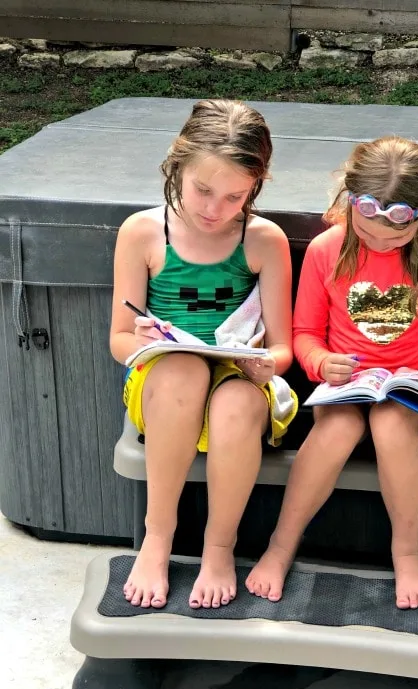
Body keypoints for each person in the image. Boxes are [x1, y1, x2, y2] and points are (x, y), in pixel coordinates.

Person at [246, 136, 418, 609]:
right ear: (348, 204)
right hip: (346, 391)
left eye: (395, 239)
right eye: (369, 234)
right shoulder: (327, 250)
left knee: (390, 422)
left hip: (413, 397)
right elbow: (306, 331)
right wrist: (319, 363)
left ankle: (408, 553)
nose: (381, 244)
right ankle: (280, 546)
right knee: (337, 431)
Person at [109, 99, 296, 610]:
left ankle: (220, 547)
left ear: (255, 187)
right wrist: (146, 342)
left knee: (233, 401)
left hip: (241, 382)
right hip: (166, 384)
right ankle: (158, 536)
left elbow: (284, 347)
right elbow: (119, 339)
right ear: (177, 164)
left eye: (235, 196)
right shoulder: (143, 233)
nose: (215, 209)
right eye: (203, 190)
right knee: (184, 368)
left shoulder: (263, 240)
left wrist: (267, 364)